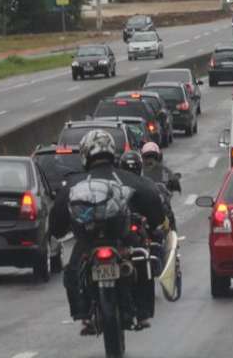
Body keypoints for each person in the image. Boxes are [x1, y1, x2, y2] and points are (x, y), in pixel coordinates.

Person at [50, 130, 168, 335]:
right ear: (112, 151)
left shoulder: (74, 182)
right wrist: (155, 220)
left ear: (86, 155)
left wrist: (58, 230)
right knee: (142, 258)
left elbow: (57, 218)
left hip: (90, 240)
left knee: (73, 271)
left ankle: (83, 314)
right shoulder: (128, 178)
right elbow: (152, 201)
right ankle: (141, 311)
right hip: (120, 238)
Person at [141, 142, 179, 231]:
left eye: (153, 157)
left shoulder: (164, 171)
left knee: (169, 216)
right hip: (142, 205)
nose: (150, 160)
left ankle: (173, 240)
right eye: (148, 157)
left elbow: (173, 182)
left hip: (160, 203)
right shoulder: (138, 171)